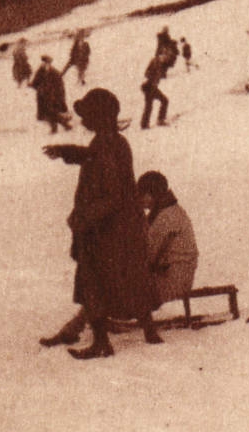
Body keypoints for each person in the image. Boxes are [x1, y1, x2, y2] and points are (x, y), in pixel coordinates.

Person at [39, 88, 162, 359]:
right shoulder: (114, 141)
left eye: (87, 116)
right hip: (127, 227)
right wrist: (67, 152)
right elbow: (95, 158)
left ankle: (101, 342)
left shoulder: (104, 145)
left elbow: (112, 194)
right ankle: (150, 332)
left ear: (99, 118)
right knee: (133, 278)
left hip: (107, 230)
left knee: (91, 281)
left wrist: (83, 218)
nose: (82, 121)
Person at [138, 170, 198, 306]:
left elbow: (147, 255)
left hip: (171, 283)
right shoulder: (172, 211)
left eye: (142, 194)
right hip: (179, 278)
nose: (140, 199)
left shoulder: (164, 217)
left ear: (152, 194)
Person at [30, 55, 71, 133]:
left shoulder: (54, 72)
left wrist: (60, 96)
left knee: (51, 112)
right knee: (48, 113)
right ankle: (63, 126)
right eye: (43, 62)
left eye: (46, 62)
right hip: (42, 96)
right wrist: (33, 86)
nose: (44, 64)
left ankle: (60, 127)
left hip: (52, 96)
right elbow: (35, 82)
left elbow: (60, 85)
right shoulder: (40, 71)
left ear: (49, 63)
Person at [140, 51, 170, 128]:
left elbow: (161, 75)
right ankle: (158, 120)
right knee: (162, 101)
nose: (165, 59)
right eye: (164, 56)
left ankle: (145, 124)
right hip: (149, 86)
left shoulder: (160, 64)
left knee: (152, 104)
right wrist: (152, 79)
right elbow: (147, 73)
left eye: (166, 57)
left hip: (152, 87)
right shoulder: (155, 61)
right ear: (160, 55)